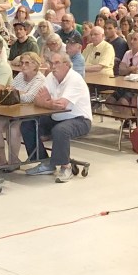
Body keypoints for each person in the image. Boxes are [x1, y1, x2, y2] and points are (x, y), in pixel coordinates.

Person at [23, 53, 93, 183]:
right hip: (56, 116)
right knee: (27, 124)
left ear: (66, 65)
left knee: (60, 130)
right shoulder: (51, 77)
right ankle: (45, 162)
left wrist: (47, 102)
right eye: (51, 63)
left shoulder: (75, 79)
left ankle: (65, 167)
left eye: (57, 63)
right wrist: (48, 103)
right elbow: (37, 99)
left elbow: (61, 105)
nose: (52, 66)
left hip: (79, 119)